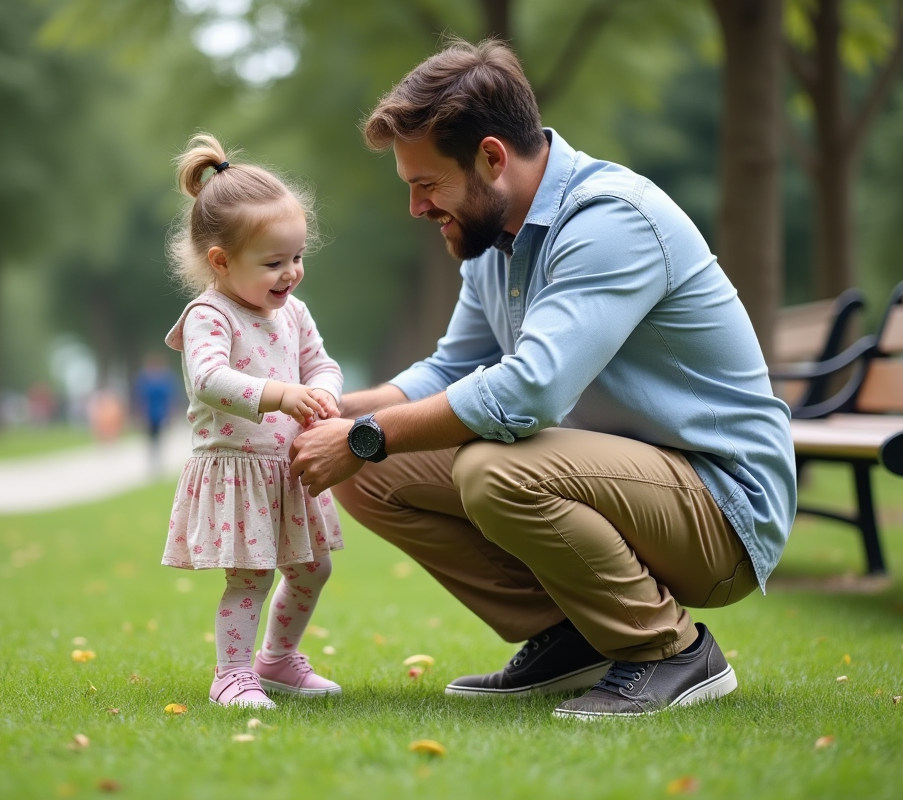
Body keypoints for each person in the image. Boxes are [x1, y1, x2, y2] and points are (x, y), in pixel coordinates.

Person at [288, 39, 797, 718]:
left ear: (492, 158)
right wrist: (327, 411)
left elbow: (530, 393)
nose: (416, 207)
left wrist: (364, 436)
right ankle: (578, 637)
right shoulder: (493, 240)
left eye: (426, 184)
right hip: (626, 478)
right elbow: (449, 370)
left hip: (723, 506)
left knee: (489, 470)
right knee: (372, 471)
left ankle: (669, 652)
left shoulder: (610, 220)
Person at [162, 134, 345, 709]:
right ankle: (232, 673)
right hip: (237, 470)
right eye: (273, 263)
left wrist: (323, 393)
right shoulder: (210, 314)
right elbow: (208, 379)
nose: (291, 273)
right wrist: (281, 394)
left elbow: (322, 363)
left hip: (287, 469)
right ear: (221, 261)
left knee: (313, 568)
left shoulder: (293, 312)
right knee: (250, 576)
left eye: (297, 257)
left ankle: (279, 659)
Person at [134, 352, 177, 472]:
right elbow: (140, 398)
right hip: (149, 414)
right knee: (151, 438)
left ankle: (159, 462)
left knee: (160, 438)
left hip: (162, 413)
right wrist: (140, 414)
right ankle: (152, 461)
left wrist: (171, 412)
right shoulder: (144, 379)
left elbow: (170, 397)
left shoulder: (165, 378)